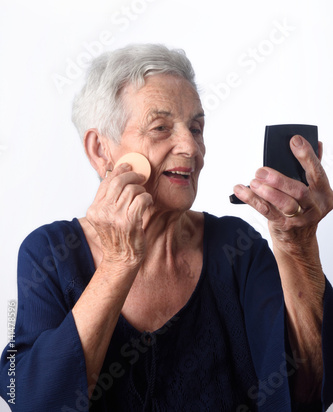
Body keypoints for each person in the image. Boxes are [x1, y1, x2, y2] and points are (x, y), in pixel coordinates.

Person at [1, 44, 333, 412]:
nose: (191, 147)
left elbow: (306, 392)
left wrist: (297, 247)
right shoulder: (48, 252)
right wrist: (118, 264)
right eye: (160, 128)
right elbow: (28, 400)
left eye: (196, 127)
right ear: (100, 150)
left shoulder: (236, 248)